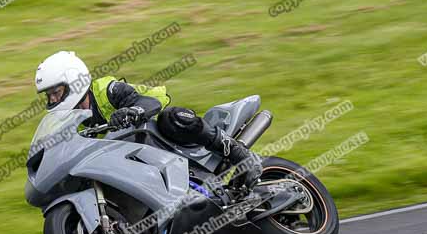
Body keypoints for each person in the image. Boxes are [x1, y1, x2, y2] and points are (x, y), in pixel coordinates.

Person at [34, 51, 261, 190]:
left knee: (172, 117)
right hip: (138, 156)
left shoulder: (106, 89)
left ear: (73, 81)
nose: (53, 98)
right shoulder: (77, 119)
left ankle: (239, 153)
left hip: (162, 133)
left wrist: (131, 111)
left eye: (57, 91)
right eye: (49, 95)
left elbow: (151, 102)